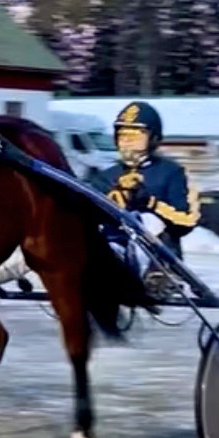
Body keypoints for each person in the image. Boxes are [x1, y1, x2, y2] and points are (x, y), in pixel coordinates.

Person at [88, 101, 200, 294]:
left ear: (154, 139)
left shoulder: (172, 172)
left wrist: (150, 203)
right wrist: (109, 203)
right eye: (123, 135)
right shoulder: (105, 176)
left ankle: (158, 275)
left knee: (147, 219)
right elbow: (85, 214)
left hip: (158, 254)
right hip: (112, 246)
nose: (128, 142)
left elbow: (188, 220)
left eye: (136, 136)